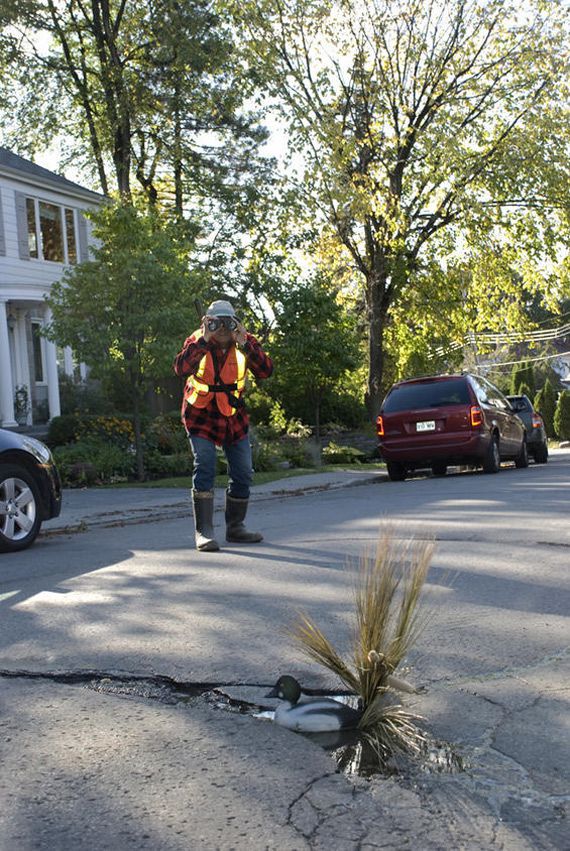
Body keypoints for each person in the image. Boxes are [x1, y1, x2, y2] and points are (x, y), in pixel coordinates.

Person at [173, 299, 273, 551]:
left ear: (235, 322)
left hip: (232, 415)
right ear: (207, 322)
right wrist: (204, 339)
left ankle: (236, 528)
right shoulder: (197, 341)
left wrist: (246, 343)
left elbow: (266, 371)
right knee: (205, 462)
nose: (222, 329)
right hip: (201, 413)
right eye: (215, 323)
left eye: (227, 323)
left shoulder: (244, 342)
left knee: (243, 471)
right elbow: (180, 368)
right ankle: (204, 531)